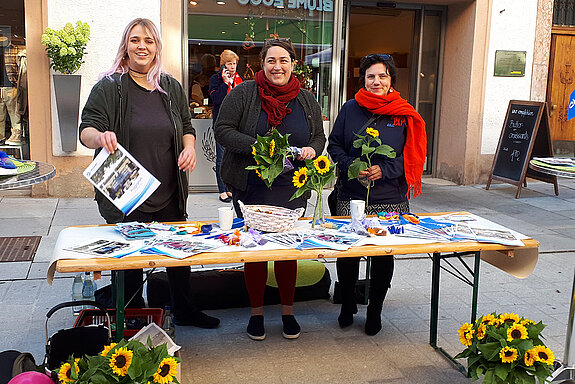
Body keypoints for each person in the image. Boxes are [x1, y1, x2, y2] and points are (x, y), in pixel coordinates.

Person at [79, 18, 219, 329]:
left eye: (149, 41)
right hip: (126, 191)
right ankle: (130, 316)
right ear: (125, 47)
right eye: (135, 40)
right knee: (129, 263)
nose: (142, 46)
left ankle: (184, 310)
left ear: (156, 48)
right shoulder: (109, 87)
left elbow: (185, 125)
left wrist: (190, 148)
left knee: (177, 257)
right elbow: (86, 128)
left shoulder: (169, 87)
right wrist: (99, 138)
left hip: (169, 188)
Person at [214, 38, 326, 340]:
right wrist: (262, 148)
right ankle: (256, 313)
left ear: (292, 64)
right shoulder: (243, 93)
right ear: (262, 64)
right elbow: (223, 130)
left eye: (284, 60)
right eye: (271, 61)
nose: (277, 66)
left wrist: (312, 152)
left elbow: (319, 136)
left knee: (288, 252)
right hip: (252, 186)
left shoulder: (305, 98)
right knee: (256, 251)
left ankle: (288, 311)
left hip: (292, 187)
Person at [327, 53, 427, 335]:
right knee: (349, 252)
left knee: (383, 254)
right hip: (352, 194)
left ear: (391, 79)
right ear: (363, 79)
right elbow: (335, 146)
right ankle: (347, 304)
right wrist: (352, 166)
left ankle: (375, 310)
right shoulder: (350, 109)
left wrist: (385, 170)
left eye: (382, 76)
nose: (376, 81)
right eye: (371, 76)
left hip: (390, 196)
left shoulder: (404, 113)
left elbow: (414, 155)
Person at [209, 49, 243, 203]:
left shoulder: (239, 80)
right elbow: (216, 99)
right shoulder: (215, 80)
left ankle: (229, 188)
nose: (233, 66)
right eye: (229, 64)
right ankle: (222, 190)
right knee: (221, 158)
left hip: (237, 125)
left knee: (233, 158)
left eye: (234, 63)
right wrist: (225, 83)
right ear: (223, 65)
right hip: (221, 124)